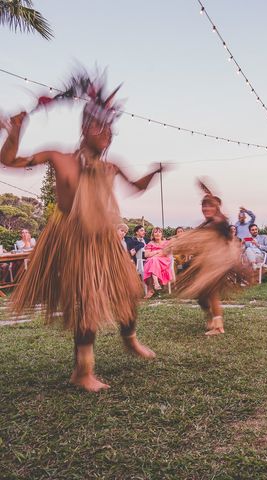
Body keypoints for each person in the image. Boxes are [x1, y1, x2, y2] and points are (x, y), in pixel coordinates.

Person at [0, 72, 161, 391]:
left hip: (104, 240)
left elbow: (137, 186)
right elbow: (8, 160)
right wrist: (16, 132)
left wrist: (153, 174)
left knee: (129, 290)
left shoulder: (109, 166)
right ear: (86, 128)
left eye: (112, 130)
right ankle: (83, 371)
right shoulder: (60, 158)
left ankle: (130, 339)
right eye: (104, 128)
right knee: (86, 301)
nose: (109, 135)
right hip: (73, 239)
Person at [167, 181, 250, 336]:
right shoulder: (209, 221)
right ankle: (211, 318)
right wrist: (205, 191)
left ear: (217, 208)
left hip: (218, 264)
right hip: (206, 263)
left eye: (210, 206)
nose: (206, 209)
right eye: (204, 206)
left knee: (211, 293)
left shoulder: (219, 221)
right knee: (201, 296)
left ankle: (218, 327)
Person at [142, 227, 172, 298]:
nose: (157, 233)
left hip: (163, 262)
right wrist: (157, 251)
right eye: (155, 232)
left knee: (153, 260)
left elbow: (165, 253)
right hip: (152, 261)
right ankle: (155, 283)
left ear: (162, 234)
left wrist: (153, 254)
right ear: (153, 234)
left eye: (159, 232)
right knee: (152, 260)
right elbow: (146, 255)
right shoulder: (150, 243)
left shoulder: (166, 243)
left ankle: (151, 289)